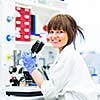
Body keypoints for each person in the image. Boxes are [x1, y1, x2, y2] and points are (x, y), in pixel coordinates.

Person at [22, 14, 97, 100]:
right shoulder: (66, 54)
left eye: (60, 32)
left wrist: (32, 70)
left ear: (70, 33)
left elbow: (50, 93)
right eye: (51, 32)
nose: (54, 36)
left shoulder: (68, 56)